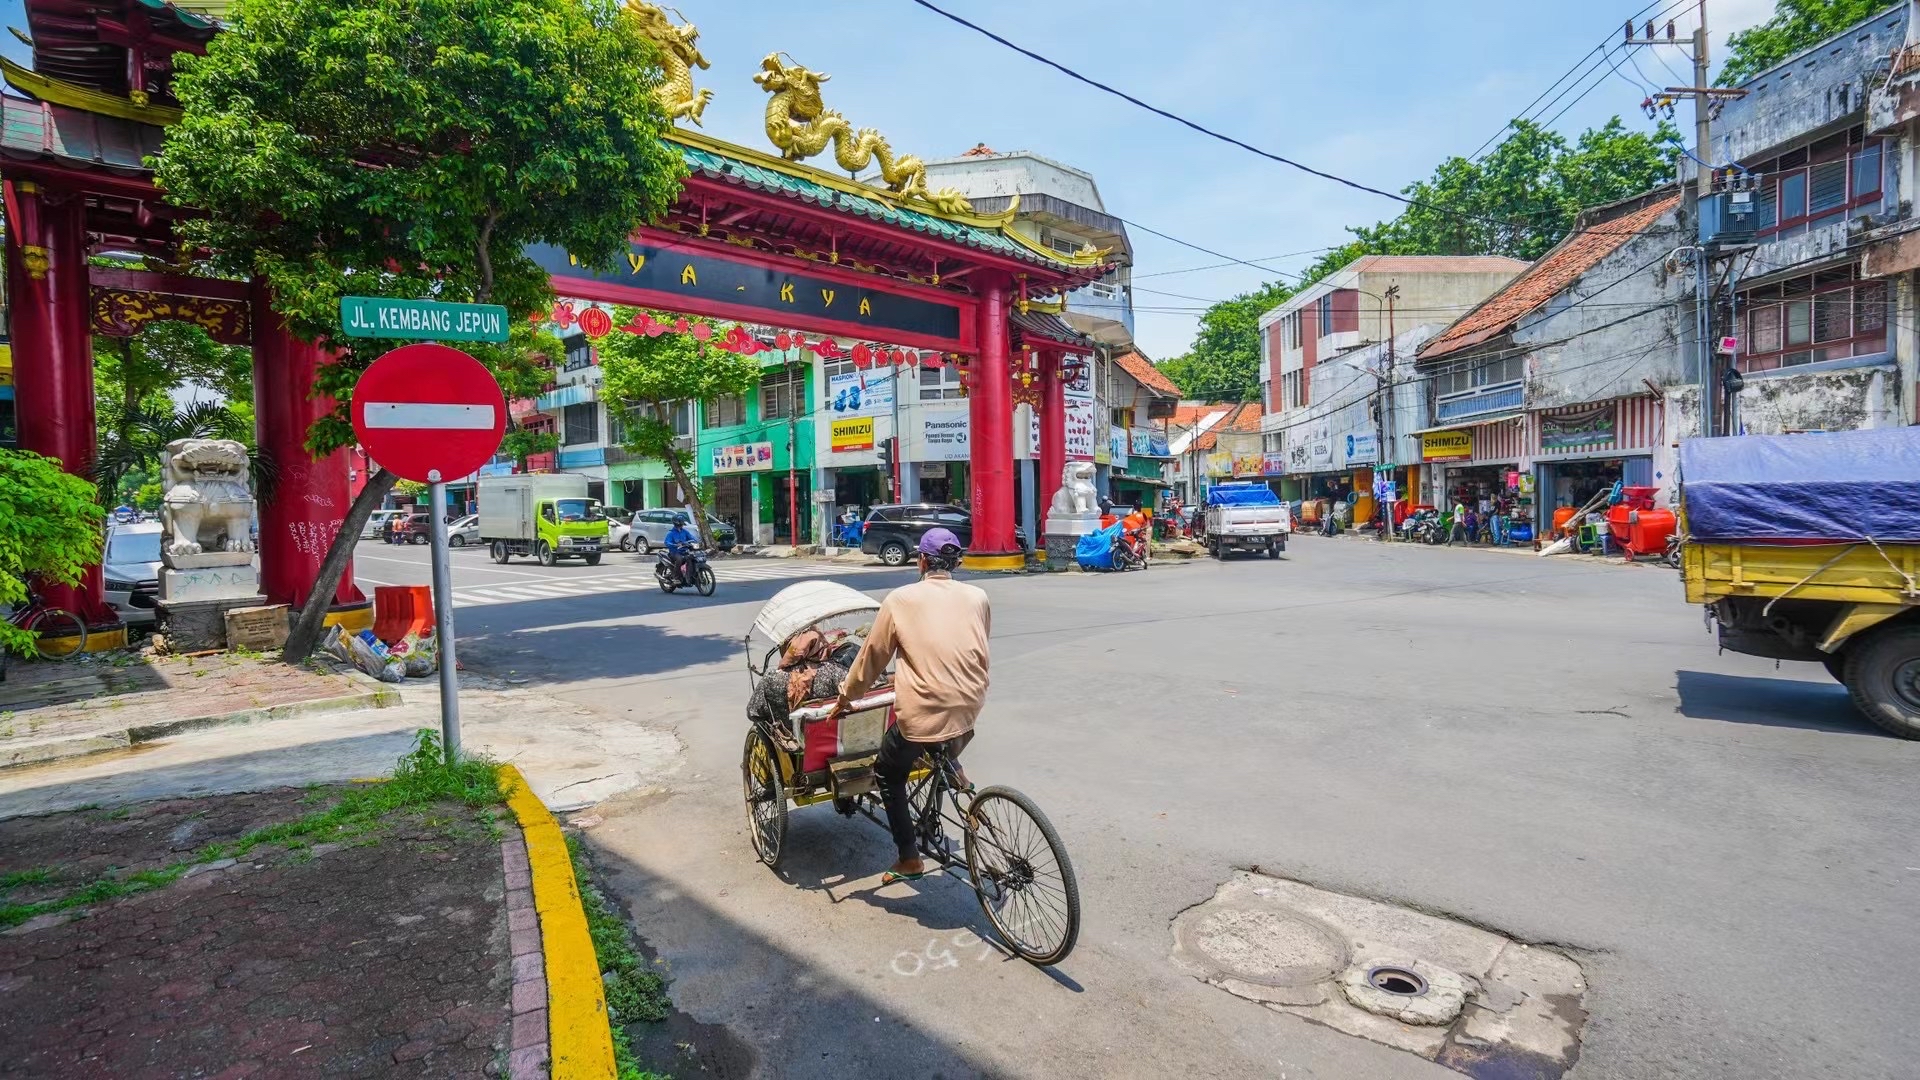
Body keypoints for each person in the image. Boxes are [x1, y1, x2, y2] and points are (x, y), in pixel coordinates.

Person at [833, 527, 989, 884]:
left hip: (923, 712)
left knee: (888, 772)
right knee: (942, 733)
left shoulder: (900, 600)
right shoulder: (978, 596)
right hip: (970, 703)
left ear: (921, 561)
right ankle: (954, 769)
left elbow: (871, 659)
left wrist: (845, 698)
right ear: (956, 562)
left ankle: (908, 858)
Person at [747, 629, 851, 752]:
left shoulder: (771, 678)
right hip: (832, 742)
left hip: (792, 745)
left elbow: (753, 712)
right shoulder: (834, 671)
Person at [663, 515, 698, 585]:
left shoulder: (685, 532)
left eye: (682, 524)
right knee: (680, 559)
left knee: (692, 558)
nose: (681, 526)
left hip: (684, 551)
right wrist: (675, 545)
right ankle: (676, 577)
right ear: (676, 524)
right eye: (680, 524)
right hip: (674, 552)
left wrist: (695, 541)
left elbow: (692, 538)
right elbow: (667, 542)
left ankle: (689, 575)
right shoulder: (671, 533)